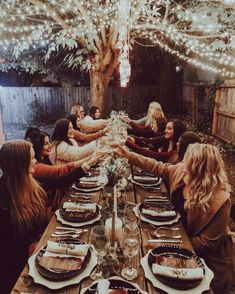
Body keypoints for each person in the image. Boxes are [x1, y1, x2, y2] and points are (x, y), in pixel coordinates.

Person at [113, 143, 233, 294]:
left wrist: (170, 245)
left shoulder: (220, 200)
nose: (182, 163)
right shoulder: (181, 172)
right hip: (174, 237)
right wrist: (129, 155)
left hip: (205, 264)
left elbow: (206, 243)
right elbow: (157, 166)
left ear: (197, 168)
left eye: (187, 161)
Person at [0, 140, 48, 293]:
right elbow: (9, 245)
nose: (35, 160)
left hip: (35, 256)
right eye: (32, 158)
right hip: (15, 270)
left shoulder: (31, 185)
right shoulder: (3, 198)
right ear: (19, 164)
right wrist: (32, 243)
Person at [26, 130, 102, 208]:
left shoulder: (46, 157)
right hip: (51, 205)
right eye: (46, 144)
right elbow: (61, 177)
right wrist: (91, 159)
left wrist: (93, 158)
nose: (50, 145)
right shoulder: (38, 166)